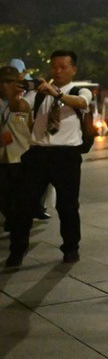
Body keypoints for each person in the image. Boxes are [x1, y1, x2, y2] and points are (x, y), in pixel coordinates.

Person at [8, 50, 93, 268]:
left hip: (66, 155)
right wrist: (14, 96)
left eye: (63, 67)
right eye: (54, 66)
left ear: (73, 69)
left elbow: (81, 102)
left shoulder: (79, 90)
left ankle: (71, 248)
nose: (57, 71)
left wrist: (55, 94)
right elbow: (21, 109)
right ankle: (17, 251)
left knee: (68, 205)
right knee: (23, 204)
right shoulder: (38, 93)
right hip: (37, 153)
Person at [0, 66, 32, 235]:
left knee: (19, 197)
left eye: (10, 82)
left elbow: (21, 114)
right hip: (2, 158)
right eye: (2, 82)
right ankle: (13, 220)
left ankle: (18, 226)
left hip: (19, 157)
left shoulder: (22, 104)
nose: (5, 86)